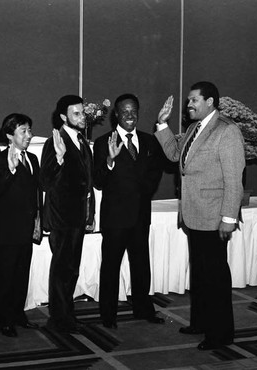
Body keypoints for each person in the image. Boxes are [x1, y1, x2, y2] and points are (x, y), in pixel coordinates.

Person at [155, 81, 245, 350]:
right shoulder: (195, 128)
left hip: (214, 217)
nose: (188, 105)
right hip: (194, 215)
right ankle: (201, 323)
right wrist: (162, 124)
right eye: (188, 101)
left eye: (193, 100)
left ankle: (220, 335)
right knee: (201, 276)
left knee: (215, 278)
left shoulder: (227, 131)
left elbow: (234, 179)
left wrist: (229, 218)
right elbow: (174, 156)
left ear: (210, 102)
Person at [93, 93, 164, 329]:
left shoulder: (150, 141)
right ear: (116, 114)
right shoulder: (104, 143)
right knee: (111, 267)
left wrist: (141, 191)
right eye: (125, 111)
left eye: (133, 111)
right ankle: (108, 315)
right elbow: (99, 181)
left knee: (141, 264)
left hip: (141, 215)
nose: (130, 116)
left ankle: (144, 309)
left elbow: (155, 174)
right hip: (115, 217)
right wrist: (110, 162)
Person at [40, 95, 95, 334]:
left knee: (72, 268)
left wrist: (89, 213)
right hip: (62, 216)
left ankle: (67, 315)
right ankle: (59, 319)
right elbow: (44, 180)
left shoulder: (81, 140)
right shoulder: (55, 141)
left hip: (77, 216)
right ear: (63, 117)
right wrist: (60, 158)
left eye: (83, 113)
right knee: (62, 268)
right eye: (76, 114)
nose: (82, 117)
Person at [0, 113, 42, 337]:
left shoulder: (32, 159)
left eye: (29, 130)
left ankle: (18, 314)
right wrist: (10, 169)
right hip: (7, 230)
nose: (29, 135)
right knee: (5, 276)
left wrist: (38, 219)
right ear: (10, 135)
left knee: (22, 274)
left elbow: (36, 192)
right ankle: (4, 319)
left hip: (26, 227)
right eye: (24, 131)